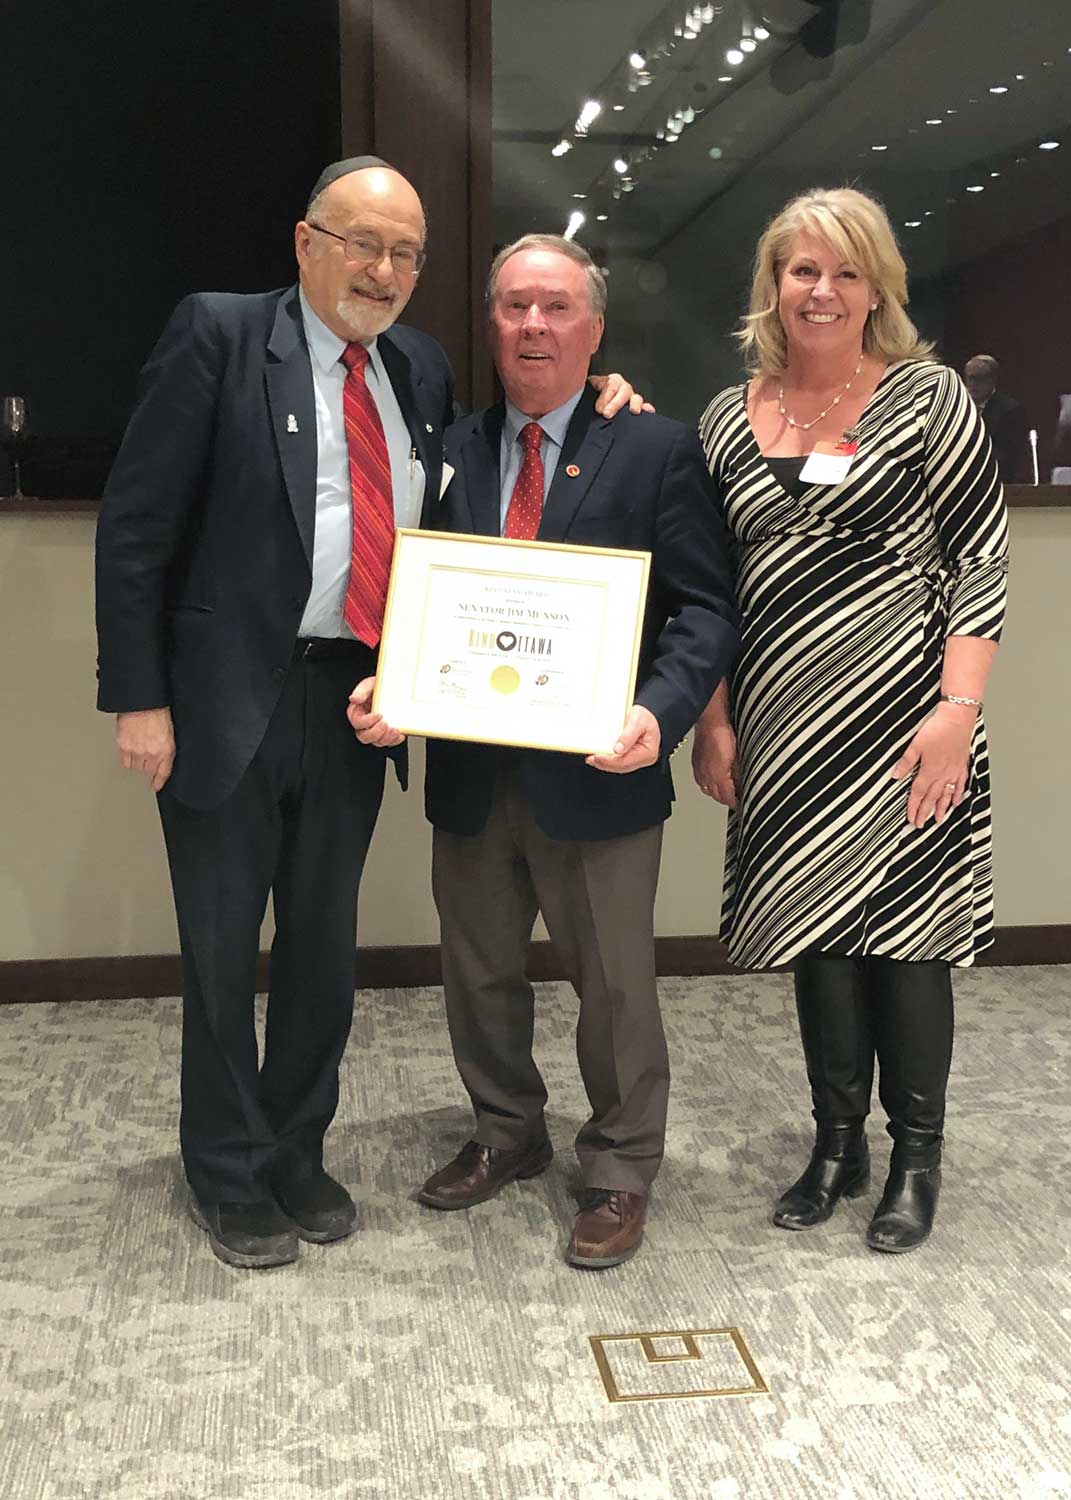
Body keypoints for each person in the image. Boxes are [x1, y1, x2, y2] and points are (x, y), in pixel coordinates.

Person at [95, 160, 639, 1271]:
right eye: (361, 242)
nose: (382, 269)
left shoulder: (421, 368)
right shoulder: (222, 335)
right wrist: (140, 697)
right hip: (220, 703)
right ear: (306, 243)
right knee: (217, 952)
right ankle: (228, 1170)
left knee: (320, 953)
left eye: (405, 253)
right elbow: (136, 526)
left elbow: (461, 503)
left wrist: (607, 396)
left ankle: (296, 1151)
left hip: (356, 702)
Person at [349, 235, 738, 1268]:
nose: (534, 326)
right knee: (476, 975)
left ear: (595, 329)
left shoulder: (655, 447)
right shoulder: (451, 447)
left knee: (613, 988)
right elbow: (417, 593)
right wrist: (398, 685)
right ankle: (506, 1132)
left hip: (602, 773)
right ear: (491, 324)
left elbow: (702, 608)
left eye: (557, 308)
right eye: (516, 306)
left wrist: (663, 709)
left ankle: (618, 1168)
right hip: (475, 775)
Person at [693, 187, 1008, 1254]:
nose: (821, 291)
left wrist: (957, 712)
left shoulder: (929, 402)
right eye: (801, 270)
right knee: (817, 941)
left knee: (908, 945)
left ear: (877, 289)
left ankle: (916, 1158)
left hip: (910, 721)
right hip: (783, 725)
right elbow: (717, 584)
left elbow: (980, 563)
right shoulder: (729, 418)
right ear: (772, 286)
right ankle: (837, 1145)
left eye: (845, 272)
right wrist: (716, 716)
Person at [963, 354, 1028, 482]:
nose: (973, 384)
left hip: (996, 478)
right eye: (969, 378)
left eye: (979, 378)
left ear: (992, 380)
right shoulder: (958, 406)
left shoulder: (1010, 410)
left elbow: (1010, 454)